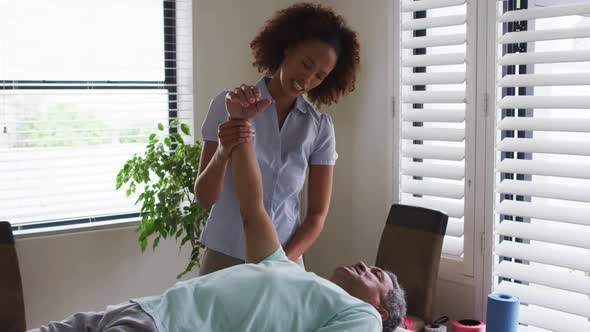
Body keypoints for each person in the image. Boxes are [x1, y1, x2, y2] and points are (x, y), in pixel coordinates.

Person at [31, 92, 407, 332]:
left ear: (382, 308)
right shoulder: (279, 266)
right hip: (143, 309)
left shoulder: (364, 318)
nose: (364, 264)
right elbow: (251, 208)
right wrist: (240, 126)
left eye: (377, 276)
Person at [194, 2, 361, 275]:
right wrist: (224, 150)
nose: (307, 79)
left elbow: (317, 214)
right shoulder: (228, 106)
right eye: (306, 64)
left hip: (285, 259)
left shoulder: (319, 128)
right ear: (288, 47)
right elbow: (204, 197)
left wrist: (282, 261)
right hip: (225, 256)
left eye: (320, 75)